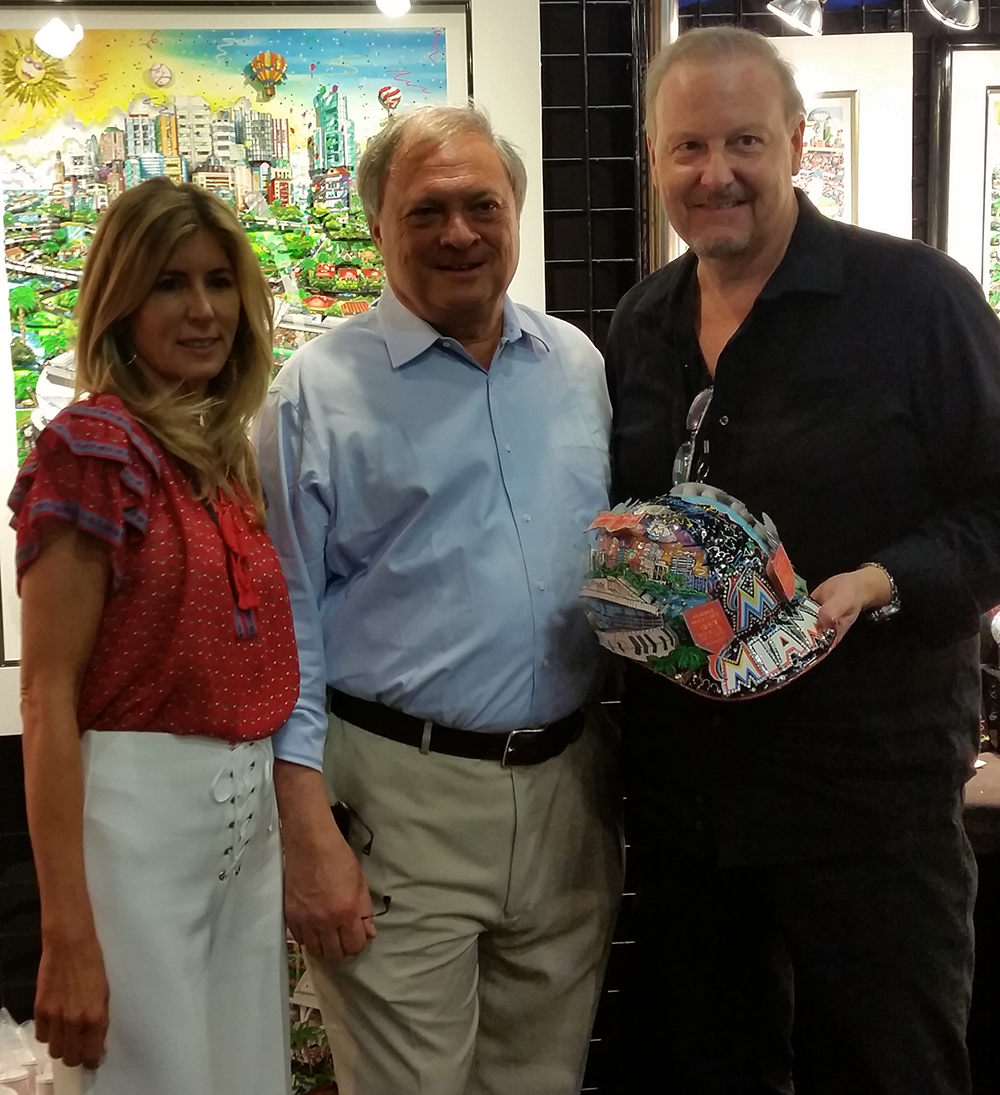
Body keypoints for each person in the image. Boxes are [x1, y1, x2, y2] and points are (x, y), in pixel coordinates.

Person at [605, 26, 1000, 1095]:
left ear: (794, 141)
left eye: (743, 141)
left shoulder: (916, 300)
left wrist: (882, 581)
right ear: (651, 157)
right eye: (687, 147)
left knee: (889, 1070)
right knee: (712, 1071)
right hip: (688, 799)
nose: (714, 172)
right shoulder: (641, 322)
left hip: (866, 800)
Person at [255, 104, 621, 1095]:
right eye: (425, 212)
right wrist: (305, 838)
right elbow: (280, 632)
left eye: (480, 206)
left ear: (516, 215)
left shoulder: (578, 367)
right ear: (377, 227)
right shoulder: (312, 397)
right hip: (392, 802)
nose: (457, 232)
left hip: (568, 794)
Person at [11, 178, 299, 1095]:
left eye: (221, 281)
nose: (206, 309)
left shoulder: (217, 451)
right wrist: (66, 932)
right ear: (122, 299)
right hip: (135, 829)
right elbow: (47, 693)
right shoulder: (93, 446)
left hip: (241, 831)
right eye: (171, 283)